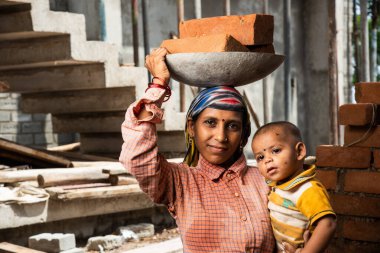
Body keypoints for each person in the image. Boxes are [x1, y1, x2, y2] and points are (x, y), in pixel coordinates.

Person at [119, 47, 276, 252]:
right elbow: (136, 158)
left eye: (232, 126)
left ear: (244, 134)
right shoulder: (180, 182)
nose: (221, 137)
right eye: (210, 123)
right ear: (192, 128)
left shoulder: (266, 180)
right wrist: (158, 84)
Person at [251, 121, 337, 253]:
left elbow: (327, 224)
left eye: (276, 151)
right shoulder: (276, 185)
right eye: (260, 157)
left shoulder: (307, 189)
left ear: (299, 151)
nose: (267, 160)